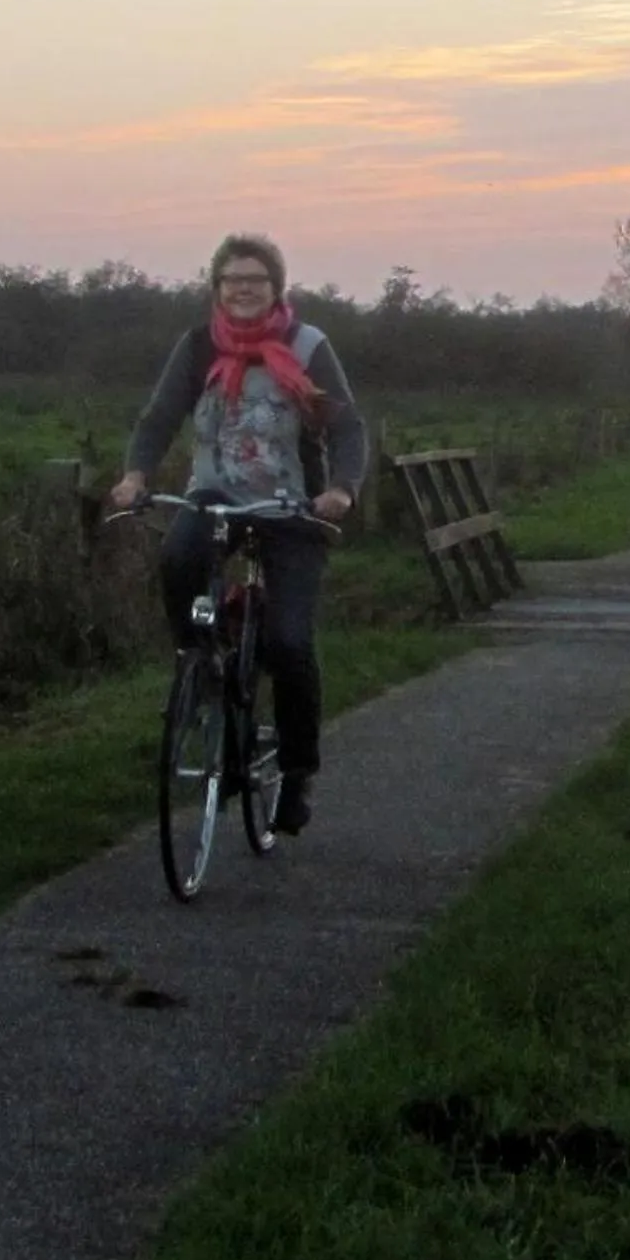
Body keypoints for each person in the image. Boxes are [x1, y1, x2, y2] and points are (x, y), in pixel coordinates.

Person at [107, 234, 368, 836]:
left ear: (277, 288)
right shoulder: (197, 347)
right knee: (177, 557)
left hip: (291, 507)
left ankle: (298, 771)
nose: (243, 288)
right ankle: (200, 667)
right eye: (231, 280)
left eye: (255, 279)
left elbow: (348, 427)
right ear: (216, 288)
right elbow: (159, 417)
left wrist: (342, 490)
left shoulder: (307, 347)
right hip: (214, 495)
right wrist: (134, 474)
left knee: (290, 642)